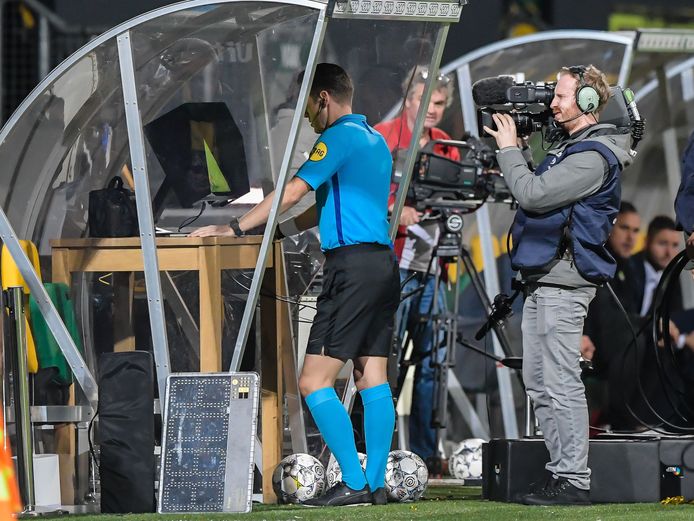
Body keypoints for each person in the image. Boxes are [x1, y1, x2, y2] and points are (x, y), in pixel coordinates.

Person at [191, 63, 399, 507]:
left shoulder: (337, 136)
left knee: (312, 382)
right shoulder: (375, 139)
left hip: (352, 269)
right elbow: (319, 207)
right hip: (382, 265)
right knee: (371, 374)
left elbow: (293, 192)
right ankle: (377, 484)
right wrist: (277, 234)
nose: (305, 115)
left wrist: (236, 230)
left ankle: (357, 483)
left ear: (323, 98)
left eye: (306, 103)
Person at [484, 65, 633, 505]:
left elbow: (532, 194)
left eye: (562, 97)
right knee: (538, 380)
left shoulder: (591, 155)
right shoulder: (573, 148)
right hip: (544, 279)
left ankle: (573, 478)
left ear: (588, 104)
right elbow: (535, 190)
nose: (552, 105)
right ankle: (561, 472)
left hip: (563, 283)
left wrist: (510, 150)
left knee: (560, 379)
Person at [374, 66, 459, 468]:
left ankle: (424, 454)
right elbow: (361, 191)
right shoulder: (382, 136)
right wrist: (395, 209)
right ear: (409, 99)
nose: (432, 110)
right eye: (426, 101)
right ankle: (379, 448)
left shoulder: (446, 145)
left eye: (439, 103)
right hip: (393, 262)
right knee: (385, 360)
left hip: (433, 266)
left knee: (432, 363)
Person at [581, 202, 642, 429]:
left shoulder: (629, 267)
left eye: (636, 231)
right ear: (608, 228)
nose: (630, 237)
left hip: (615, 346)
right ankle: (620, 420)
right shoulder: (594, 261)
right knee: (635, 338)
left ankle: (651, 419)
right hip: (594, 345)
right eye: (624, 228)